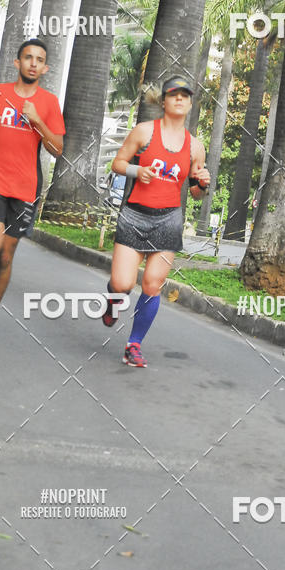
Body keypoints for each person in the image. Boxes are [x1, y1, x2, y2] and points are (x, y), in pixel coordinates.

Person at [0, 39, 65, 342]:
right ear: (17, 63)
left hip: (26, 186)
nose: (33, 63)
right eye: (28, 57)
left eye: (39, 59)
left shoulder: (48, 103)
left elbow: (57, 149)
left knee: (6, 256)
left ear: (45, 68)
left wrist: (37, 122)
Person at [102, 76, 210, 367]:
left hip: (169, 219)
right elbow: (118, 163)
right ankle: (114, 297)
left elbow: (197, 193)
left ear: (189, 104)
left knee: (152, 284)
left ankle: (133, 345)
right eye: (173, 94)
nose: (179, 98)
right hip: (136, 214)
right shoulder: (143, 132)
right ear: (163, 101)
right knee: (123, 283)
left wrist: (203, 183)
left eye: (185, 95)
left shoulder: (195, 147)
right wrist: (138, 171)